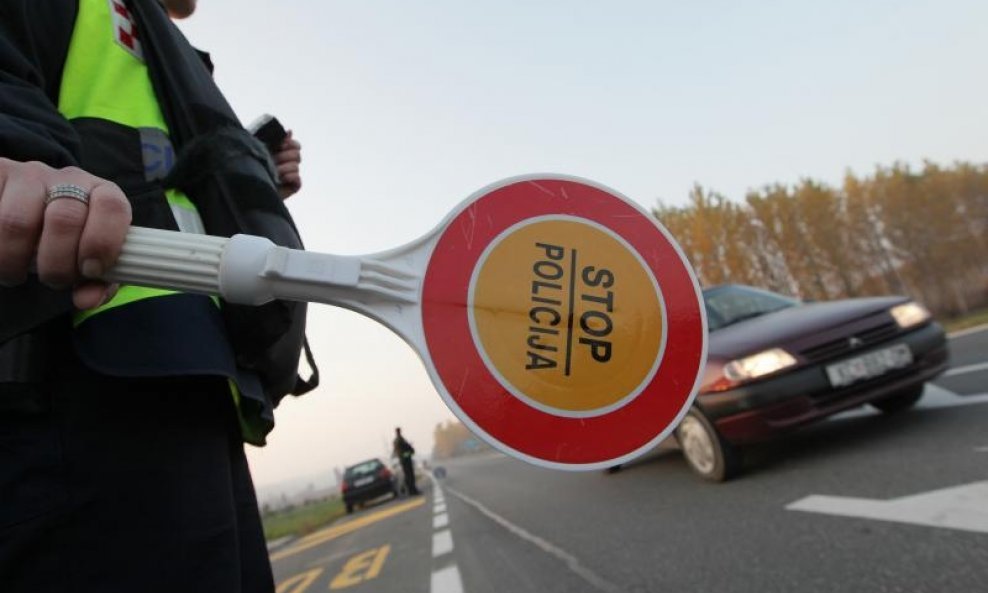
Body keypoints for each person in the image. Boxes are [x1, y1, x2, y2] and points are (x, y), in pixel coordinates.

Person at [0, 1, 305, 592]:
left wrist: (253, 174)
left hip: (190, 361)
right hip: (71, 374)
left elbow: (157, 171)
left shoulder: (151, 34)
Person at [392, 427, 420, 495]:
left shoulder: (397, 440)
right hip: (405, 460)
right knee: (409, 476)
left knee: (408, 475)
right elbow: (402, 451)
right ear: (398, 432)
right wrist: (410, 452)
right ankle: (412, 490)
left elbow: (399, 451)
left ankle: (410, 489)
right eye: (399, 431)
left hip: (404, 460)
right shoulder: (399, 440)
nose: (400, 432)